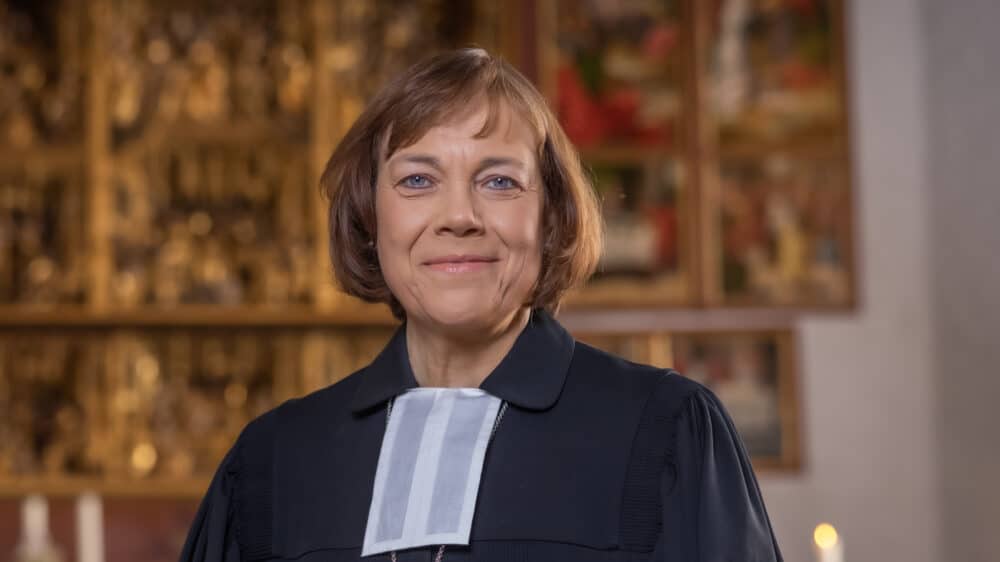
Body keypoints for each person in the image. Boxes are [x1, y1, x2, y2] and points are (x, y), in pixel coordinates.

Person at [180, 48, 782, 562]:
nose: (459, 217)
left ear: (550, 216)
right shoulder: (273, 461)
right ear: (369, 216)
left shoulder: (665, 432)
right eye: (418, 180)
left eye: (499, 181)